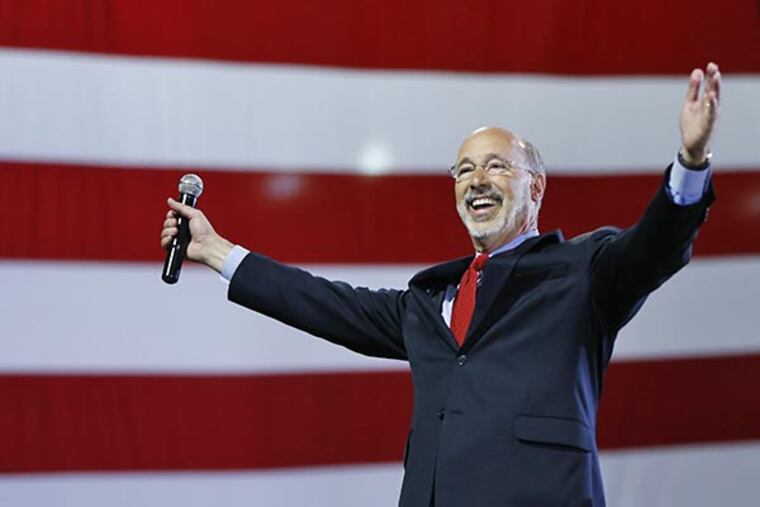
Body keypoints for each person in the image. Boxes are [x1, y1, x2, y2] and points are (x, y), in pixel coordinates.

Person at [160, 63, 721, 506]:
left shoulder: (584, 273)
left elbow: (656, 246)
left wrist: (690, 162)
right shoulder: (430, 303)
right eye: (464, 170)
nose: (477, 180)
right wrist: (215, 250)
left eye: (498, 166)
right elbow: (325, 304)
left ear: (537, 188)